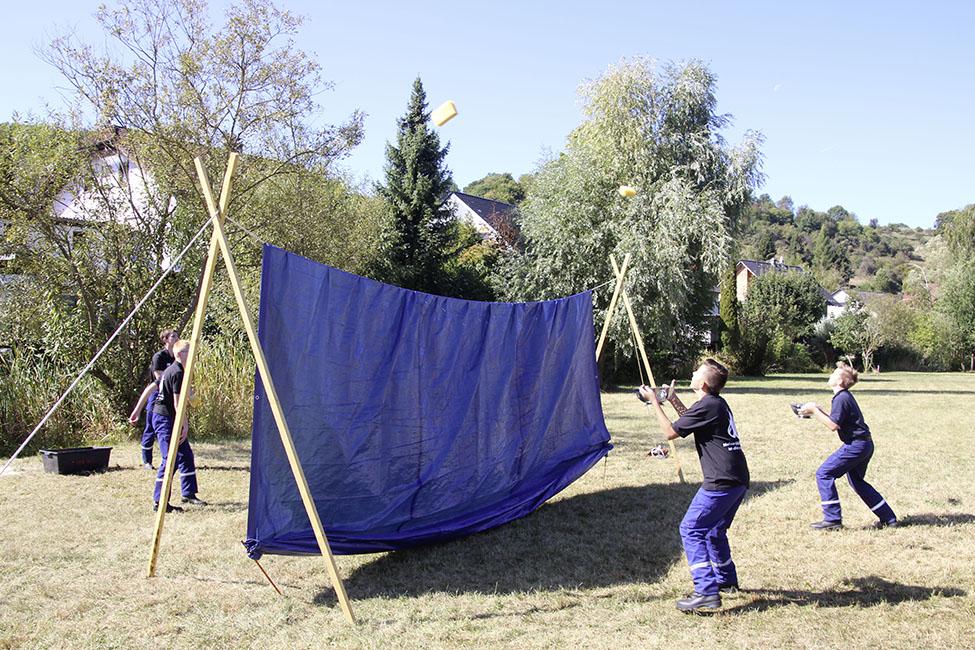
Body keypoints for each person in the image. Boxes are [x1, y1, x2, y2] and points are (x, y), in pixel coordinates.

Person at [639, 358, 750, 613]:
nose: (691, 373)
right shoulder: (715, 404)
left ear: (702, 383)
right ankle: (726, 580)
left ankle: (706, 592)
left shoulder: (709, 405)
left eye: (696, 372)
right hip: (737, 479)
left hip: (721, 482)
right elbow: (691, 420)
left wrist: (655, 401)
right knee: (714, 530)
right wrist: (673, 399)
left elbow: (670, 432)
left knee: (691, 529)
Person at [799, 363, 897, 530]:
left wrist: (814, 410)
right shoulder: (843, 397)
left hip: (856, 445)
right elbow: (836, 420)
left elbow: (833, 425)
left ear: (841, 381)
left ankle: (832, 519)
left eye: (835, 373)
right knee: (857, 482)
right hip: (865, 444)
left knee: (824, 473)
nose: (831, 374)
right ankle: (889, 518)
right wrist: (815, 412)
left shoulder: (841, 398)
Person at [151, 339, 206, 512]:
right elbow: (177, 404)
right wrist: (185, 424)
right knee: (170, 460)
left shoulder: (177, 370)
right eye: (190, 351)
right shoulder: (177, 372)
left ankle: (188, 494)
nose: (194, 355)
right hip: (165, 419)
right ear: (180, 354)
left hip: (169, 417)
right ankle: (160, 502)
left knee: (186, 455)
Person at [128, 329, 179, 469]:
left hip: (170, 394)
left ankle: (172, 458)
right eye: (173, 336)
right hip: (157, 394)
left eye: (177, 336)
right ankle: (147, 461)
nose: (176, 338)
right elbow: (159, 379)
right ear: (165, 339)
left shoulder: (177, 356)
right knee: (150, 427)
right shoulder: (159, 356)